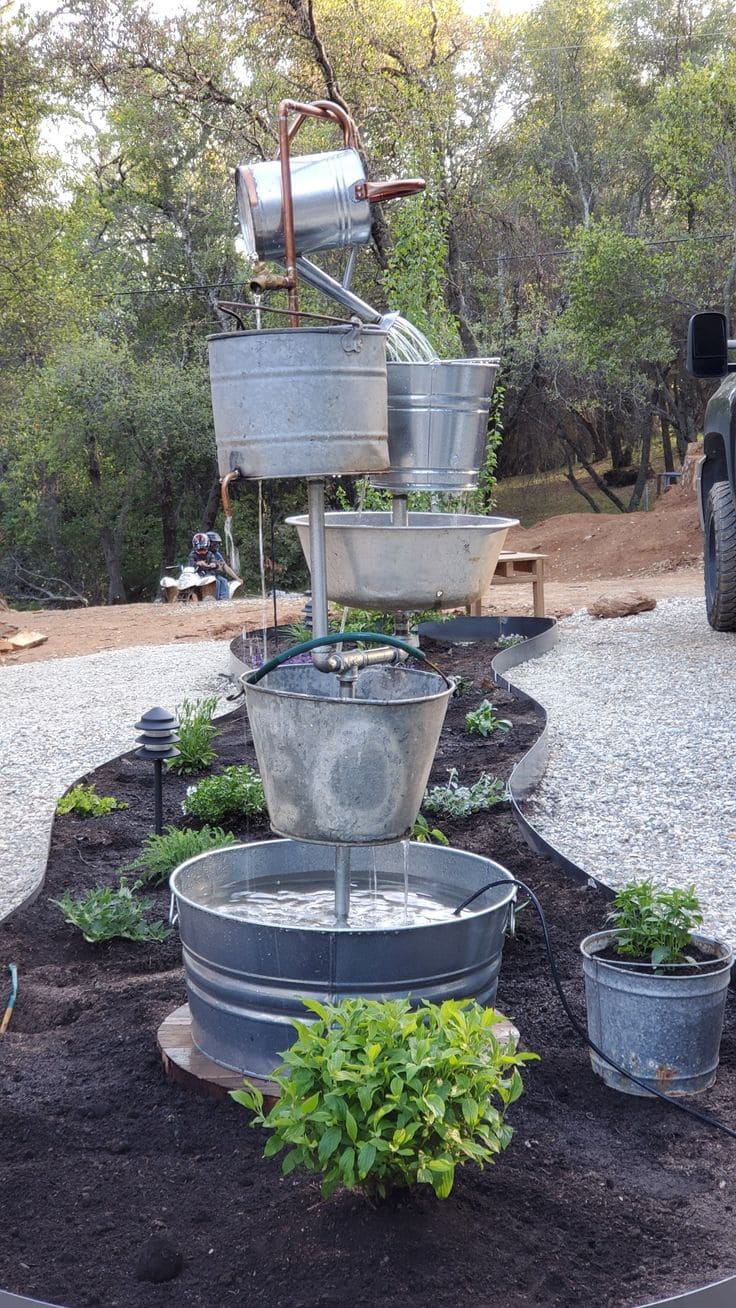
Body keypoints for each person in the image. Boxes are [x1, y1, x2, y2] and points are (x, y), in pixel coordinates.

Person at [207, 531, 241, 600]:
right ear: (209, 543)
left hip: (213, 575)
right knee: (218, 581)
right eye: (214, 543)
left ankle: (223, 599)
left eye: (217, 543)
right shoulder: (203, 552)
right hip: (203, 575)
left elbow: (225, 567)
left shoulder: (217, 554)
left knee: (223, 581)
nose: (216, 545)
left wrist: (237, 578)